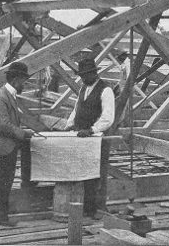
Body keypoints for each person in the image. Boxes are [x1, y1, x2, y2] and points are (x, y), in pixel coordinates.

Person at [62, 57, 115, 219]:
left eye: (86, 75)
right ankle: (85, 208)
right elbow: (77, 109)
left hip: (97, 139)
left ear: (94, 73)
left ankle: (96, 209)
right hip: (82, 139)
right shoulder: (83, 89)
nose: (83, 78)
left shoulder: (106, 90)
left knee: (97, 175)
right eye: (82, 75)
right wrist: (69, 125)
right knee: (84, 173)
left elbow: (108, 117)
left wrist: (92, 130)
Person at [0, 62, 36, 227]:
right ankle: (0, 217)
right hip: (5, 144)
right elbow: (3, 125)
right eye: (23, 81)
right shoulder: (2, 97)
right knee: (4, 180)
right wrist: (23, 134)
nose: (24, 84)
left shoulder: (9, 95)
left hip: (9, 143)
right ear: (16, 80)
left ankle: (2, 216)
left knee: (5, 180)